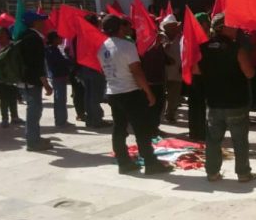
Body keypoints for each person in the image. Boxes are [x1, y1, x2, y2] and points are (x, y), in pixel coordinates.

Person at [98, 15, 173, 175]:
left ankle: (123, 163)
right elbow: (137, 71)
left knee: (119, 128)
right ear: (120, 28)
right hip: (130, 92)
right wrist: (148, 92)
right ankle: (151, 163)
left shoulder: (102, 47)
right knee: (142, 129)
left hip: (113, 92)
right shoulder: (127, 46)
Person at [196, 14, 256, 182]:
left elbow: (196, 71)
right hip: (236, 103)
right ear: (223, 28)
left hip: (214, 103)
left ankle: (212, 172)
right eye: (233, 25)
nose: (236, 28)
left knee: (213, 141)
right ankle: (243, 173)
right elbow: (249, 73)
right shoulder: (237, 49)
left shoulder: (203, 48)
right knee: (240, 140)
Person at [20, 11, 54, 152]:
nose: (43, 23)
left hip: (25, 79)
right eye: (41, 20)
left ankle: (35, 138)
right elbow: (37, 65)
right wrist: (46, 84)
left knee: (33, 110)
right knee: (34, 111)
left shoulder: (24, 36)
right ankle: (33, 142)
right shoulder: (34, 39)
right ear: (35, 23)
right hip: (32, 80)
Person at [77, 14, 110, 129]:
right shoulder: (95, 35)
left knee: (89, 94)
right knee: (95, 96)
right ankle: (96, 120)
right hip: (95, 68)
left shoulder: (82, 35)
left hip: (85, 68)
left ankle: (90, 118)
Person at [187, 13, 210, 141]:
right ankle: (199, 133)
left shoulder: (192, 37)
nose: (208, 25)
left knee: (196, 106)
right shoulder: (197, 39)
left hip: (196, 76)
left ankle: (195, 132)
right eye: (206, 22)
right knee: (198, 106)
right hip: (198, 76)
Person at [0, 27, 23, 128]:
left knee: (13, 97)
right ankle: (4, 118)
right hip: (0, 77)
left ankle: (14, 117)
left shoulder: (13, 46)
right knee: (3, 98)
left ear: (7, 34)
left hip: (12, 75)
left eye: (1, 33)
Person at [45, 31, 73, 128]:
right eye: (59, 38)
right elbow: (60, 62)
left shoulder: (54, 49)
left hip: (58, 76)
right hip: (58, 76)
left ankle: (61, 119)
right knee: (60, 99)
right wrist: (69, 60)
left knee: (60, 99)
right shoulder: (51, 50)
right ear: (54, 39)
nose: (61, 39)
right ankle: (61, 121)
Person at [161, 15, 183, 123]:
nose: (174, 28)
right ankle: (160, 116)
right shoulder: (161, 37)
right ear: (166, 27)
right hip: (163, 73)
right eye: (171, 26)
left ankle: (170, 114)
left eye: (175, 25)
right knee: (162, 96)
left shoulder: (180, 38)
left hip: (176, 72)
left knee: (174, 95)